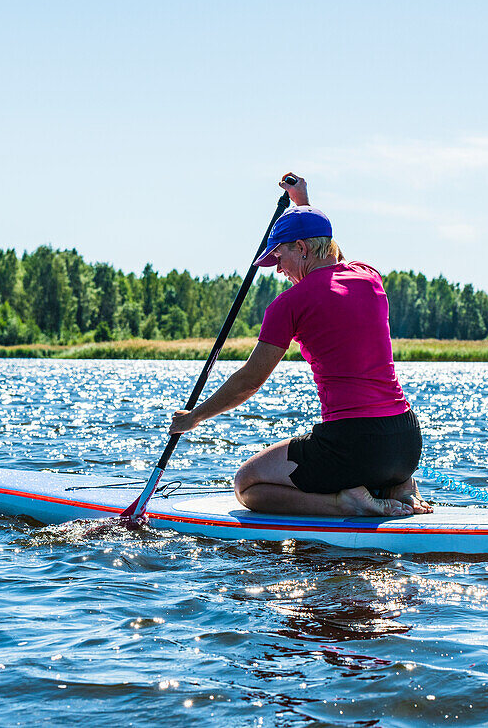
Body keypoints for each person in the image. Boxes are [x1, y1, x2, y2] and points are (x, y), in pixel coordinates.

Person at [168, 173, 431, 517]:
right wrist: (302, 204)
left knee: (248, 485)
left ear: (302, 249)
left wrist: (195, 417)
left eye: (278, 258)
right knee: (362, 460)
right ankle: (398, 486)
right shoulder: (369, 276)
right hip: (406, 444)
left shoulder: (289, 305)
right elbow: (331, 253)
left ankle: (344, 503)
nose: (277, 270)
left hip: (354, 446)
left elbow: (250, 380)